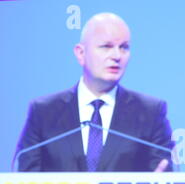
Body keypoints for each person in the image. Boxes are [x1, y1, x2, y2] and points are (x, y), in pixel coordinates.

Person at [15, 12, 174, 172]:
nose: (117, 56)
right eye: (106, 46)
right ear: (81, 53)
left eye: (124, 47)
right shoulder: (43, 112)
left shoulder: (150, 112)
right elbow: (25, 181)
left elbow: (164, 177)